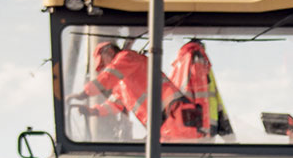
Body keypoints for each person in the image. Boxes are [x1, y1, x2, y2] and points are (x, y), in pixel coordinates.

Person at [67, 41, 201, 141]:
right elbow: (114, 105)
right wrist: (93, 111)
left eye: (103, 63)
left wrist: (84, 93)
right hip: (164, 124)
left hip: (176, 116)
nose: (105, 67)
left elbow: (108, 76)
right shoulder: (122, 84)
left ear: (108, 52)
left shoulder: (127, 57)